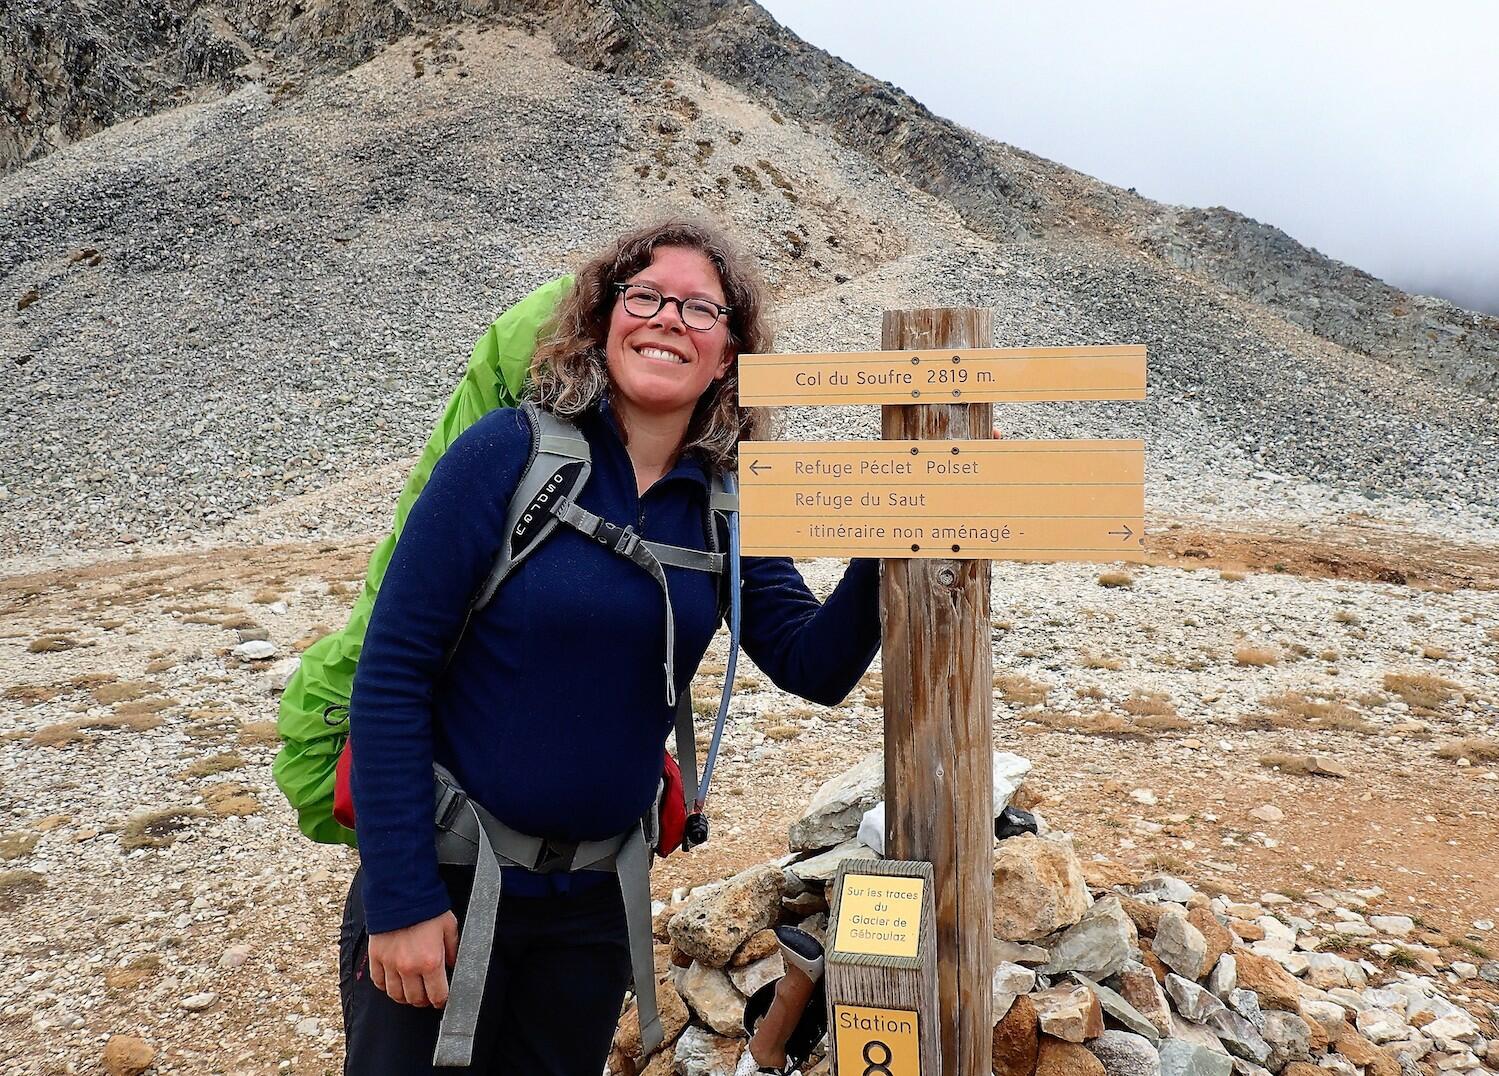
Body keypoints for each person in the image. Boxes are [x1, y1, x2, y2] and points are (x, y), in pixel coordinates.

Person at [339, 218, 881, 1074]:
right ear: (602, 321)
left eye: (699, 309)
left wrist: (902, 527)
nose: (668, 318)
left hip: (592, 910)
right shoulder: (505, 453)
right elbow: (391, 673)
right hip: (448, 883)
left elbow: (813, 664)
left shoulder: (725, 501)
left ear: (728, 355)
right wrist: (400, 897)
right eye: (645, 297)